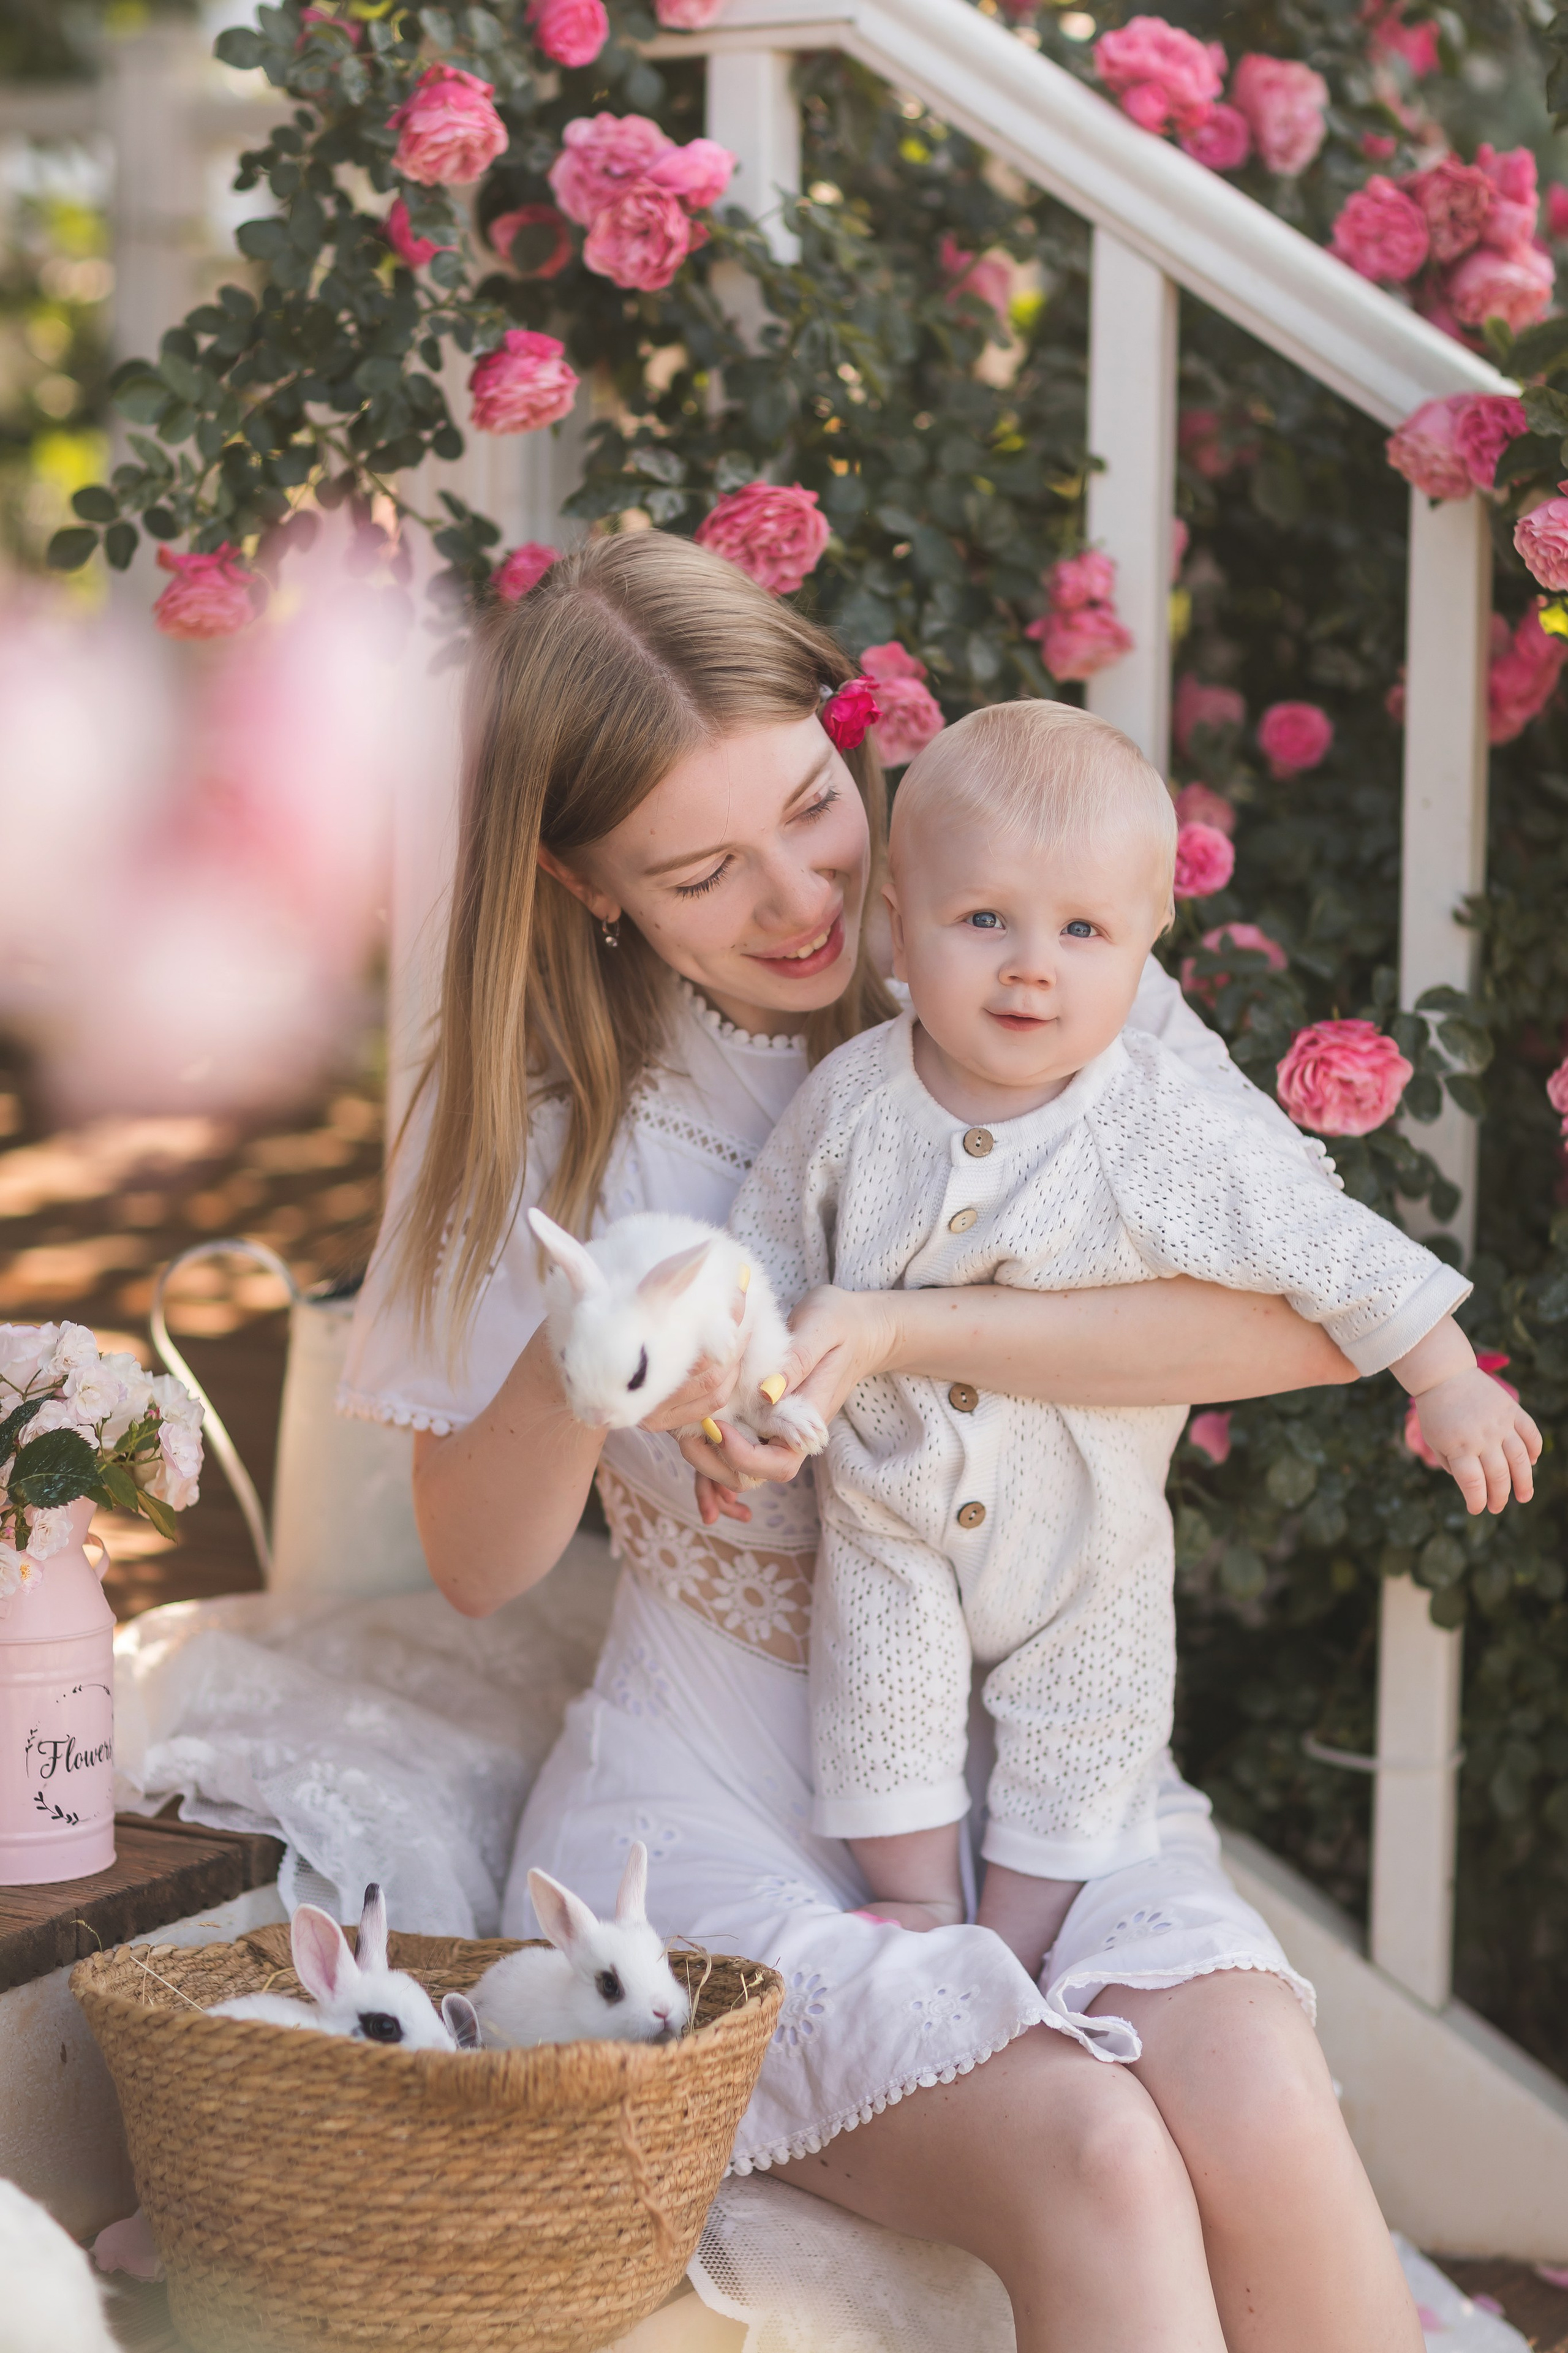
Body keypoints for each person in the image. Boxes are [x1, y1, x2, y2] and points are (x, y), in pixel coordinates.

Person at [342, 529, 1429, 2353]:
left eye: (815, 806)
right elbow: (473, 1558)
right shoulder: (547, 1120)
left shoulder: (1029, 953)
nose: (796, 897)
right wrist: (598, 1327)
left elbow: (1307, 1318)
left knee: (1257, 2100)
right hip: (715, 1805)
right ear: (583, 883)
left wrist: (901, 1328)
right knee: (1095, 2152)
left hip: (1040, 1766)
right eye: (701, 870)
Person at [726, 697, 1537, 1992]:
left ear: (1146, 941)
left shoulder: (1152, 1126)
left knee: (1084, 1727)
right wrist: (745, 1401)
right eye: (982, 918)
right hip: (885, 1510)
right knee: (874, 1697)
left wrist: (1442, 1375)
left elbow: (1314, 1242)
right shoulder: (851, 1102)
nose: (1029, 967)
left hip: (1083, 1533)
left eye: (1082, 931)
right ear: (897, 922)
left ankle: (1023, 1946)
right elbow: (764, 1256)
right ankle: (921, 1910)